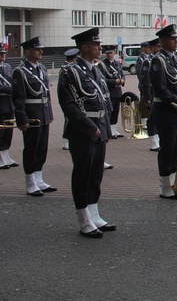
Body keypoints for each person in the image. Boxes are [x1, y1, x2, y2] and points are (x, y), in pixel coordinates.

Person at [58, 28, 115, 238]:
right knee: (83, 174)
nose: (100, 48)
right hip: (83, 131)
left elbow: (103, 101)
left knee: (95, 175)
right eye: (96, 44)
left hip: (99, 127)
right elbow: (70, 107)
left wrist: (106, 128)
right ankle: (84, 220)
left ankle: (94, 214)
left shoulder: (95, 70)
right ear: (84, 47)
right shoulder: (70, 72)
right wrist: (91, 129)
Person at [149, 24, 177, 199]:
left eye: (176, 38)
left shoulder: (175, 59)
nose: (176, 41)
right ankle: (165, 186)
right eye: (172, 39)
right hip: (166, 110)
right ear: (162, 41)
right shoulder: (157, 61)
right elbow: (161, 89)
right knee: (167, 148)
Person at [11, 36, 55, 196]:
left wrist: (49, 114)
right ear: (28, 52)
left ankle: (39, 178)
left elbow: (46, 94)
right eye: (38, 49)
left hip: (42, 113)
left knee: (42, 148)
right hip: (31, 115)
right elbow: (18, 98)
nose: (41, 51)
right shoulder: (20, 72)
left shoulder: (41, 68)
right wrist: (21, 119)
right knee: (31, 148)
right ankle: (30, 182)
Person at [97, 46, 125, 139]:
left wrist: (122, 80)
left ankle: (114, 129)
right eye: (108, 53)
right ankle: (109, 130)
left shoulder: (117, 63)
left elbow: (121, 73)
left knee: (116, 111)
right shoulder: (102, 65)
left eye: (111, 53)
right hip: (110, 91)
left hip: (118, 91)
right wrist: (114, 82)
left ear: (114, 53)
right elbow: (102, 79)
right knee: (110, 111)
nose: (109, 55)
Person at [139, 39, 161, 151]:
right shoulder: (148, 62)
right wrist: (147, 97)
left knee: (158, 117)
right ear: (152, 48)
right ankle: (153, 141)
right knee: (152, 118)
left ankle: (157, 138)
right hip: (151, 93)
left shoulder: (158, 60)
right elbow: (145, 81)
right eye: (157, 46)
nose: (159, 48)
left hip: (157, 93)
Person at [60, 48, 80, 150]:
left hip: (74, 99)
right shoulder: (66, 69)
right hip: (69, 99)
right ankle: (65, 139)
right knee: (68, 119)